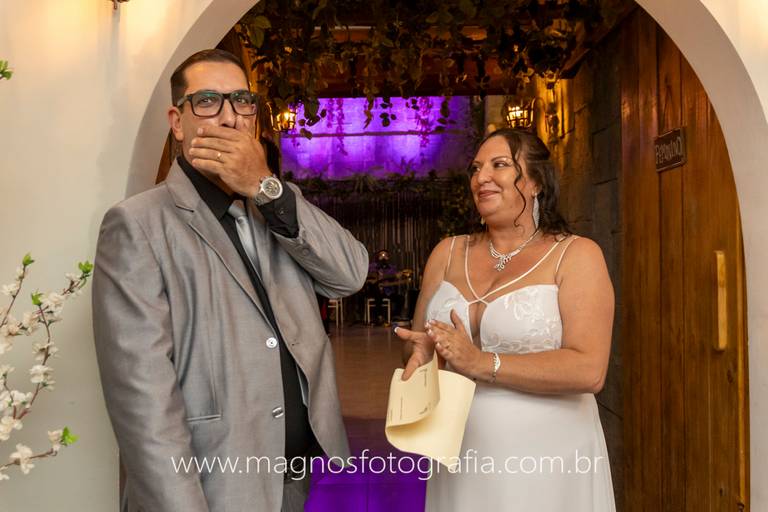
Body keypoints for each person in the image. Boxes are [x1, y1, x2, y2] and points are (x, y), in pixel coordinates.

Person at [92, 49, 369, 512]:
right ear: (177, 123)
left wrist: (266, 187)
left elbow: (350, 274)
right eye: (207, 101)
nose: (228, 117)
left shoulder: (274, 203)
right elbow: (143, 402)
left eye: (242, 101)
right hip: (210, 487)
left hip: (291, 478)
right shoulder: (137, 225)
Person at [396, 128, 616, 511]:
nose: (481, 177)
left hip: (549, 458)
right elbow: (420, 349)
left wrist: (482, 362)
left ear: (535, 182)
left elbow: (590, 370)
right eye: (475, 168)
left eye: (499, 165)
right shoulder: (446, 253)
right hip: (462, 454)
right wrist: (424, 358)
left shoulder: (576, 256)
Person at [365, 249, 401, 325]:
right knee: (377, 292)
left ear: (388, 257)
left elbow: (396, 277)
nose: (383, 257)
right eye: (381, 255)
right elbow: (369, 276)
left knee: (400, 298)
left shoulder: (392, 268)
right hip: (374, 291)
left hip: (387, 291)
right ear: (378, 257)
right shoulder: (372, 266)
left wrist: (397, 276)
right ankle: (379, 316)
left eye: (385, 255)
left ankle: (394, 316)